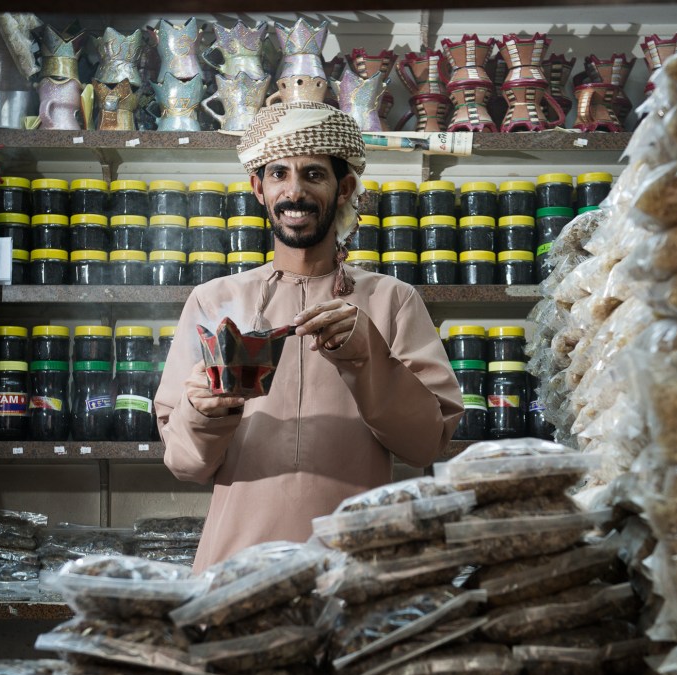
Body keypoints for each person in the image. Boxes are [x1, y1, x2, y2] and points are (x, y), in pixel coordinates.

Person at [155, 100, 464, 572]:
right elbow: (184, 464)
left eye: (313, 175)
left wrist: (367, 357)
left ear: (344, 187)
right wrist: (203, 411)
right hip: (238, 568)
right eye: (278, 174)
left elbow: (426, 444)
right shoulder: (213, 301)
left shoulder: (392, 300)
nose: (294, 191)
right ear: (258, 188)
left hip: (358, 567)